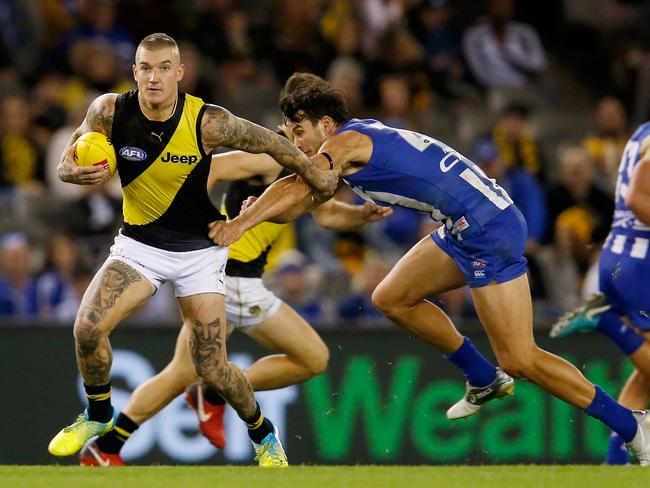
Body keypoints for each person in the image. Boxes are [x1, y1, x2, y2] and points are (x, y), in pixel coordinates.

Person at [210, 72, 650, 465]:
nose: (295, 143)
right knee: (390, 297)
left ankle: (632, 426)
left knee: (520, 358)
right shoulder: (349, 147)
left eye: (298, 131)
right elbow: (302, 201)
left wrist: (241, 222)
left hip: (486, 228)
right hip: (465, 225)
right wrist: (258, 211)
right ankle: (481, 377)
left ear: (325, 125)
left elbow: (302, 183)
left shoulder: (342, 144)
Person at [47, 33, 337, 468]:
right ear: (135, 72)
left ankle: (262, 434)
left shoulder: (207, 122)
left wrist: (319, 178)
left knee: (213, 368)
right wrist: (76, 173)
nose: (154, 77)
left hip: (199, 254)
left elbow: (273, 143)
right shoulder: (108, 110)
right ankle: (98, 415)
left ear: (179, 73)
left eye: (164, 67)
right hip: (139, 245)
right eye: (146, 67)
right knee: (87, 328)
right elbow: (65, 162)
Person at [77, 140, 391, 466]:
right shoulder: (270, 159)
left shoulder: (309, 169)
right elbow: (208, 168)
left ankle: (109, 446)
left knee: (179, 373)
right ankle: (212, 391)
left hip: (227, 277)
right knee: (313, 358)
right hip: (234, 281)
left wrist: (361, 215)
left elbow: (327, 214)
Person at [550, 121, 650, 465]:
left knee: (645, 374)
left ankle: (615, 458)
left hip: (621, 254)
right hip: (639, 260)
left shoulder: (642, 132)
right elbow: (639, 196)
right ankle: (605, 320)